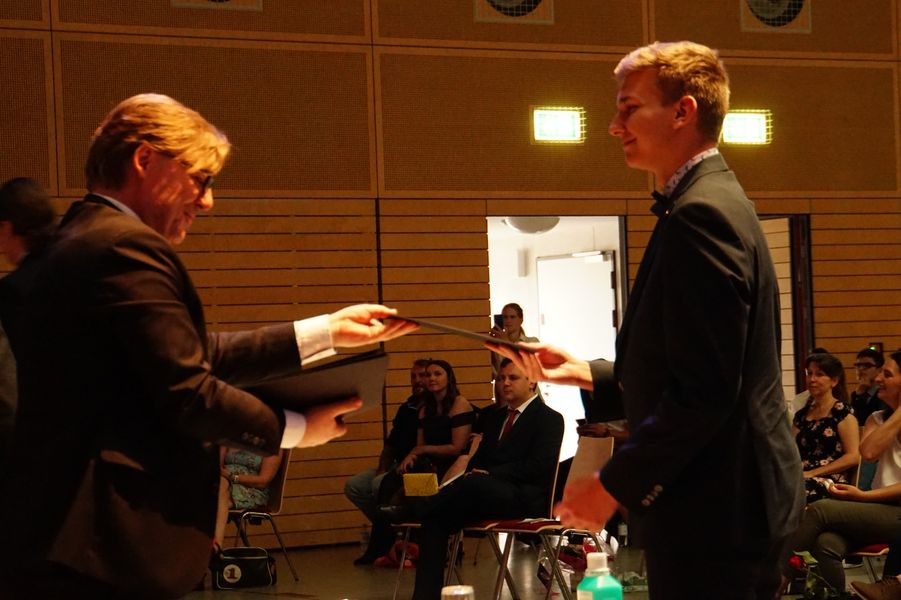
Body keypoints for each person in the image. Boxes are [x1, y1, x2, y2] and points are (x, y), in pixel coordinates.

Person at [0, 93, 416, 600]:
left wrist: (324, 332)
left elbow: (183, 354)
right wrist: (295, 429)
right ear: (145, 158)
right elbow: (187, 390)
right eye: (200, 178)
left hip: (62, 534)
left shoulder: (76, 239)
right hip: (103, 543)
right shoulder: (125, 246)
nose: (206, 201)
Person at [490, 41, 803, 599]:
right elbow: (689, 364)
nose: (614, 126)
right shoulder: (707, 201)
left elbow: (706, 391)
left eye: (629, 107)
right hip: (726, 499)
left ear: (682, 111)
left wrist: (611, 485)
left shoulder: (702, 214)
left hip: (720, 504)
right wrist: (585, 372)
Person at [397, 358, 564, 600]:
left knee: (469, 485)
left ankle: (416, 508)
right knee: (435, 520)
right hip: (483, 493)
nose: (505, 383)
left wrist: (490, 474)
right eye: (501, 378)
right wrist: (478, 472)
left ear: (532, 382)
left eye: (513, 378)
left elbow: (540, 466)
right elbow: (479, 459)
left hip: (523, 497)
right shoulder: (495, 417)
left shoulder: (549, 418)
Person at [787, 350, 901, 596]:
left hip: (893, 510)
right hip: (875, 509)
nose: (877, 378)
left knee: (820, 510)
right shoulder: (876, 418)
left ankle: (774, 576)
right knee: (825, 543)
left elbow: (855, 456)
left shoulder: (843, 413)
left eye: (887, 374)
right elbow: (868, 452)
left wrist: (863, 496)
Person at [345, 358, 429, 565]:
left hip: (419, 468)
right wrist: (382, 469)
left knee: (378, 485)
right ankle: (391, 530)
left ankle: (388, 537)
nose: (417, 380)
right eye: (413, 376)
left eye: (422, 375)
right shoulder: (406, 407)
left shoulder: (438, 407)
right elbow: (390, 444)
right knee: (355, 486)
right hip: (396, 465)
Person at [0, 177, 55, 472]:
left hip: (37, 442)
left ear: (7, 228)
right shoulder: (78, 267)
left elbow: (10, 390)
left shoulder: (13, 291)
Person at [793, 352, 860, 503]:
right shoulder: (802, 415)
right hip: (800, 476)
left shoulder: (842, 413)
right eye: (809, 373)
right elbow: (790, 450)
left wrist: (813, 473)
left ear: (834, 381)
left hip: (830, 479)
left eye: (819, 374)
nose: (812, 379)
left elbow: (853, 457)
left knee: (795, 491)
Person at [214, 447, 284, 544]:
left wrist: (232, 477)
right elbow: (217, 467)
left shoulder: (272, 445)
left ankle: (214, 545)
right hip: (223, 481)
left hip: (251, 488)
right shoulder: (229, 439)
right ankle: (214, 546)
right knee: (214, 489)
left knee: (215, 498)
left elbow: (262, 481)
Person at [489, 302, 539, 378]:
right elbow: (491, 371)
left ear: (521, 320)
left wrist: (506, 343)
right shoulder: (497, 344)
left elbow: (522, 368)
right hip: (504, 384)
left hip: (525, 385)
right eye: (505, 317)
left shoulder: (532, 342)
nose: (508, 320)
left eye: (512, 317)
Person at [852, 347, 886, 423]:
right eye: (858, 365)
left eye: (867, 365)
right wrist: (859, 395)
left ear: (879, 370)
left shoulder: (884, 394)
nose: (861, 369)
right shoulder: (856, 394)